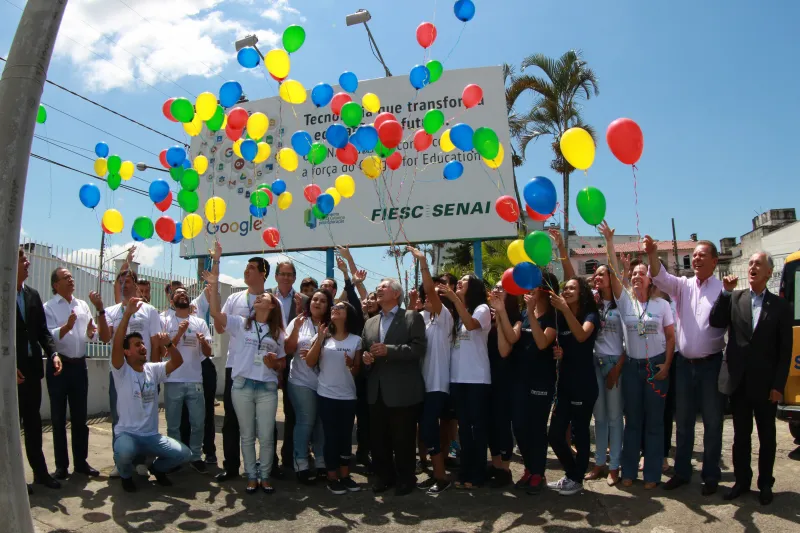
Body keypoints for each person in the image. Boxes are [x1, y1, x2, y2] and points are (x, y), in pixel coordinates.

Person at [646, 236, 726, 495]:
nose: (697, 258)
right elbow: (660, 278)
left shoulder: (723, 289)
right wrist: (652, 253)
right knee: (683, 422)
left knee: (713, 422)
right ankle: (682, 472)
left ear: (714, 261)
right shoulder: (683, 286)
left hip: (711, 364)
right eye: (695, 254)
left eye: (703, 255)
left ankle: (711, 475)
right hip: (683, 363)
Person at [711, 252, 792, 505]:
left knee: (767, 436)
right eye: (750, 263)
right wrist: (724, 293)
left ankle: (765, 483)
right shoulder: (736, 298)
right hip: (739, 382)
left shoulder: (780, 306)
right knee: (740, 436)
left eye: (758, 264)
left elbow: (784, 350)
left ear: (769, 272)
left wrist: (779, 385)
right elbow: (716, 321)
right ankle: (742, 481)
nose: (752, 267)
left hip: (766, 385)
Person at [205, 268, 286, 494]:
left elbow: (282, 362)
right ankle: (252, 476)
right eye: (258, 298)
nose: (258, 298)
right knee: (247, 435)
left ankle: (265, 475)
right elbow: (214, 313)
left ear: (272, 306)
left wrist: (275, 364)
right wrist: (214, 285)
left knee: (267, 436)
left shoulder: (278, 332)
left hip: (267, 388)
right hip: (241, 386)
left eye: (264, 298)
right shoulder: (241, 323)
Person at [605, 235, 675, 488]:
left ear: (649, 279)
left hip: (655, 367)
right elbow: (614, 272)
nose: (636, 276)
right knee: (632, 422)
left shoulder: (662, 305)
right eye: (633, 273)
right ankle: (629, 473)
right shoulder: (625, 303)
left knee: (654, 424)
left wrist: (666, 366)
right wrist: (609, 242)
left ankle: (653, 475)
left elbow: (670, 337)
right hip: (633, 369)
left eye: (641, 273)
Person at [111, 297, 191, 492]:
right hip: (128, 435)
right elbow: (117, 342)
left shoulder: (152, 369)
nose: (143, 347)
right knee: (123, 452)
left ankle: (157, 468)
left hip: (151, 437)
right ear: (127, 352)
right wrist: (128, 313)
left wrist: (170, 344)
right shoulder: (121, 370)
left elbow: (177, 363)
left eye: (143, 344)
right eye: (137, 345)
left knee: (184, 454)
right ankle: (126, 475)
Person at [210, 244, 272, 483]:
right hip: (236, 367)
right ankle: (232, 467)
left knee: (264, 425)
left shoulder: (271, 300)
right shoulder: (236, 297)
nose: (246, 271)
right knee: (232, 421)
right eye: (245, 267)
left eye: (252, 268)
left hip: (263, 371)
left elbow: (278, 334)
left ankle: (264, 468)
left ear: (263, 273)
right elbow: (219, 326)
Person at [361, 278, 427, 496]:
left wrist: (390, 350)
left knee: (403, 438)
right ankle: (384, 476)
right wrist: (366, 358)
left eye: (384, 287)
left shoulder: (411, 317)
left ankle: (406, 478)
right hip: (376, 390)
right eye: (378, 287)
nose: (378, 289)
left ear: (396, 294)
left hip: (403, 391)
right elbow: (364, 349)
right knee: (378, 438)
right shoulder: (370, 322)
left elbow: (418, 349)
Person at [43, 267, 108, 479]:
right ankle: (62, 466)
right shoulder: (49, 307)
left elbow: (90, 335)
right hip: (59, 366)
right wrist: (66, 326)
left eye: (71, 277)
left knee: (80, 418)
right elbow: (49, 338)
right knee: (58, 417)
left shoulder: (81, 305)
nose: (71, 280)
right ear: (56, 285)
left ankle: (81, 463)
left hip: (80, 366)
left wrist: (91, 333)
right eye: (66, 278)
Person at [105, 269, 163, 478]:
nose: (123, 285)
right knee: (119, 416)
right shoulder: (112, 311)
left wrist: (154, 373)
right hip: (121, 373)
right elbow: (105, 337)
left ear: (135, 285)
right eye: (120, 281)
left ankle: (142, 462)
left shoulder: (149, 310)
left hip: (144, 373)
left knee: (145, 417)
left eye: (127, 281)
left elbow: (156, 342)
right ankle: (120, 461)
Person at [582, 224, 627, 486]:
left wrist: (618, 367)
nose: (598, 278)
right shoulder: (594, 303)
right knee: (598, 417)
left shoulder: (622, 302)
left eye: (602, 274)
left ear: (612, 278)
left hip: (614, 364)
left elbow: (627, 341)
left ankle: (615, 465)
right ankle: (599, 462)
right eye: (595, 275)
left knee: (614, 417)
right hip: (595, 363)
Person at [547, 277, 600, 496]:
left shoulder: (590, 315)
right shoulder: (559, 316)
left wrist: (565, 310)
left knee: (580, 432)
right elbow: (566, 345)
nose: (566, 291)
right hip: (565, 383)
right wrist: (559, 354)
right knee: (555, 433)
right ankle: (571, 473)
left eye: (571, 288)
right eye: (564, 287)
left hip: (584, 382)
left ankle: (576, 478)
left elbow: (581, 335)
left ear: (582, 292)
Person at [407, 247, 453, 494]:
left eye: (431, 296)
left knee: (428, 427)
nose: (426, 298)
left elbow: (431, 292)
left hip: (437, 383)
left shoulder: (443, 315)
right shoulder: (420, 317)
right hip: (419, 383)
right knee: (423, 430)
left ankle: (441, 476)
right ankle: (431, 471)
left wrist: (423, 263)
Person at [305, 301, 363, 494]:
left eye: (340, 308)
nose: (334, 310)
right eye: (333, 308)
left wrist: (350, 364)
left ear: (348, 314)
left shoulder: (356, 340)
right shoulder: (323, 335)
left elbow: (356, 371)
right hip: (326, 395)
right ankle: (332, 476)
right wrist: (319, 339)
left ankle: (345, 475)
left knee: (346, 437)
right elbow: (310, 362)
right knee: (330, 437)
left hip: (348, 396)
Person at [16, 249, 62, 492]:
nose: (28, 263)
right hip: (9, 372)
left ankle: (41, 473)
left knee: (33, 424)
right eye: (23, 260)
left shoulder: (32, 295)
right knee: (11, 426)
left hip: (32, 372)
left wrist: (53, 353)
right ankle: (13, 478)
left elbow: (43, 332)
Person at [441, 274, 492, 490]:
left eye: (464, 280)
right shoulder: (456, 314)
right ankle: (465, 470)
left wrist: (454, 300)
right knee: (463, 429)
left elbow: (472, 326)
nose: (459, 283)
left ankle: (478, 473)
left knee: (476, 428)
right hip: (458, 379)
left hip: (477, 379)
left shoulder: (482, 309)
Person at [512, 274, 559, 495]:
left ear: (546, 290)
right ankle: (529, 468)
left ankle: (538, 472)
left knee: (537, 427)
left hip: (542, 378)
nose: (531, 289)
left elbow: (542, 343)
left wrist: (530, 313)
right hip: (521, 377)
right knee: (519, 426)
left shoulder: (552, 317)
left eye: (536, 286)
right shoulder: (523, 313)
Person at [161, 287, 213, 474]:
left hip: (194, 380)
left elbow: (209, 353)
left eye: (184, 293)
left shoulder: (199, 322)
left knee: (198, 422)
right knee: (173, 424)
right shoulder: (165, 320)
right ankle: (174, 457)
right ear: (172, 301)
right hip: (173, 379)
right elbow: (163, 352)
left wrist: (204, 342)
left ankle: (196, 456)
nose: (182, 294)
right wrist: (179, 334)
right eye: (178, 293)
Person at [285, 289, 332, 483]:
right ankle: (301, 463)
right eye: (314, 299)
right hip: (300, 381)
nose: (317, 303)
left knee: (321, 423)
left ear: (328, 306)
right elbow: (288, 349)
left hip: (325, 383)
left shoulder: (332, 325)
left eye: (322, 301)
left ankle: (321, 461)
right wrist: (295, 329)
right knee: (306, 420)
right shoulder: (298, 321)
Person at [336, 247, 372, 470]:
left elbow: (361, 292)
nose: (367, 303)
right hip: (348, 377)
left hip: (370, 377)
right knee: (347, 417)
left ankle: (364, 453)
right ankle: (343, 455)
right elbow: (354, 292)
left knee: (366, 419)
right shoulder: (356, 321)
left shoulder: (378, 320)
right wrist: (348, 270)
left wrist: (350, 263)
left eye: (371, 301)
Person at [487, 281, 523, 488]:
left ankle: (505, 469)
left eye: (502, 288)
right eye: (496, 287)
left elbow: (504, 349)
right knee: (491, 424)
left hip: (506, 377)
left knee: (503, 425)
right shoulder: (486, 315)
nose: (497, 290)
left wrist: (501, 316)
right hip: (486, 376)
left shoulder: (516, 318)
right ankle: (496, 465)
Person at [272, 260, 301, 477]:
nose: (286, 277)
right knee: (267, 413)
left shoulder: (303, 300)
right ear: (276, 276)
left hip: (294, 363)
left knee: (292, 413)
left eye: (290, 274)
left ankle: (289, 457)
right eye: (282, 273)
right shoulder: (266, 298)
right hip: (269, 361)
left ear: (294, 277)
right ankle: (269, 460)